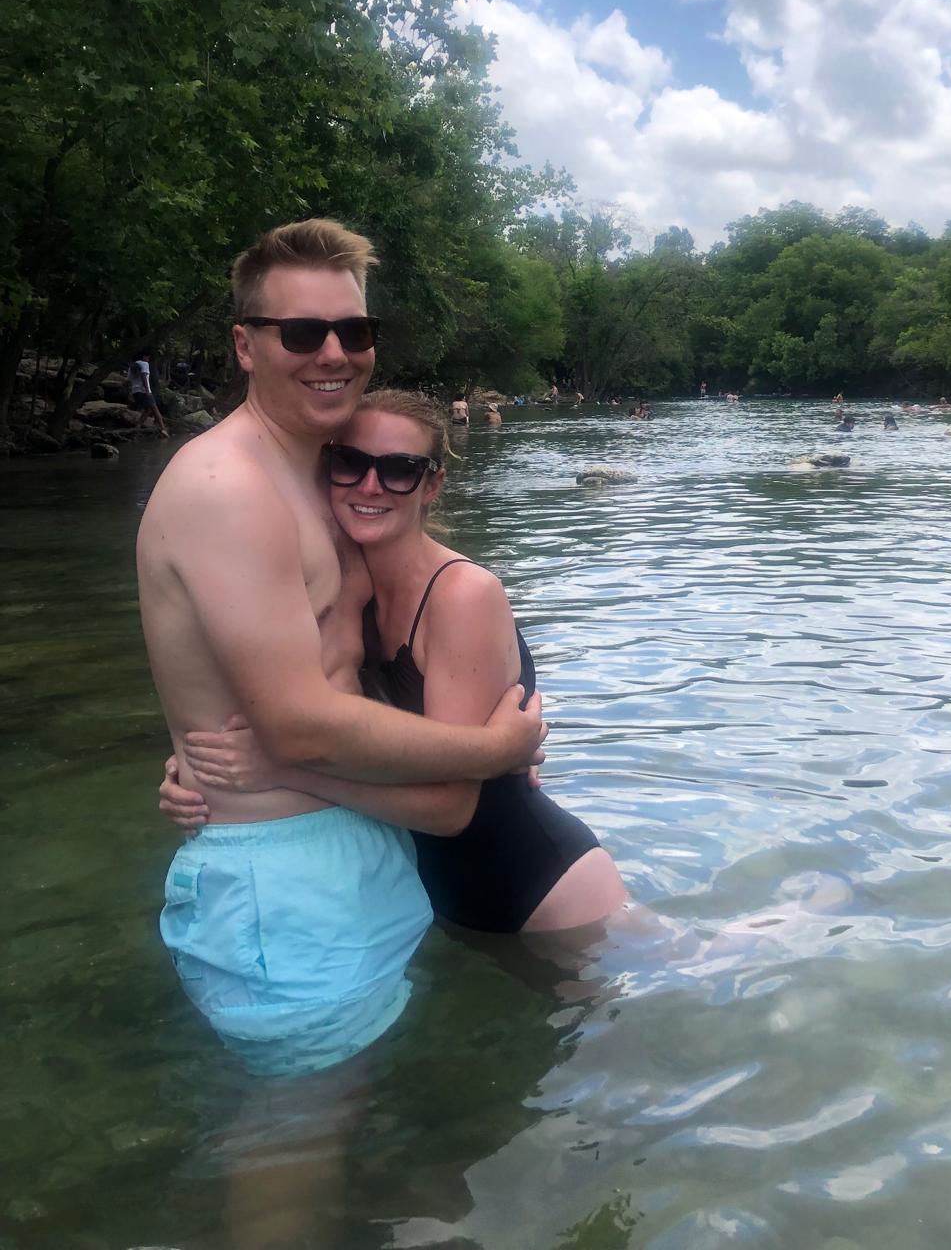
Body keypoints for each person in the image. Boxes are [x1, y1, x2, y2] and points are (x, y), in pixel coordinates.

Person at [137, 219, 545, 1081]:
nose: (333, 352)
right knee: (295, 1139)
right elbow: (296, 724)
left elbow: (353, 649)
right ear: (244, 346)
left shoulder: (320, 468)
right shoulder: (227, 487)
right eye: (301, 332)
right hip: (282, 876)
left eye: (353, 330)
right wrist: (494, 751)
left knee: (357, 1115)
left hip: (353, 848)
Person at [167, 391, 627, 937]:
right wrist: (196, 777)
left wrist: (281, 773)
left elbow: (452, 809)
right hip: (432, 899)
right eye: (351, 462)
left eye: (399, 470)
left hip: (552, 899)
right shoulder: (343, 591)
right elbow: (299, 711)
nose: (370, 486)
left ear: (431, 485)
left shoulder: (461, 595)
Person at [129, 349, 170, 439]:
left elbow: (129, 379)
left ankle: (137, 427)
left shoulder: (132, 365)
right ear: (144, 356)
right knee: (155, 409)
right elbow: (144, 376)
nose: (148, 359)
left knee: (148, 409)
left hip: (135, 391)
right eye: (148, 357)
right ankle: (163, 429)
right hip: (144, 391)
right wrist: (148, 391)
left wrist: (131, 392)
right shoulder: (144, 364)